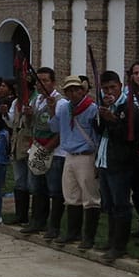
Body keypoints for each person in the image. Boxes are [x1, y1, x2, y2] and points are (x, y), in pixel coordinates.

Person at [49, 75, 101, 249]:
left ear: (82, 90)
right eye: (69, 90)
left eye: (76, 89)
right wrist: (51, 111)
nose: (73, 93)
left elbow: (98, 135)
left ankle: (89, 236)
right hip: (69, 154)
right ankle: (73, 232)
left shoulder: (92, 109)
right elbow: (55, 127)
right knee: (71, 195)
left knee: (90, 197)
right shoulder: (64, 109)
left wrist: (97, 160)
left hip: (86, 155)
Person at [95, 70, 137, 261]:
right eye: (105, 88)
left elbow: (128, 137)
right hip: (104, 159)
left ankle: (120, 246)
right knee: (109, 204)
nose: (109, 91)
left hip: (120, 162)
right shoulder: (105, 105)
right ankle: (112, 241)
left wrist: (112, 121)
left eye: (113, 87)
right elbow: (99, 131)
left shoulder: (129, 108)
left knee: (121, 204)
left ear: (120, 86)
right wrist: (101, 117)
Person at [20, 68, 63, 238]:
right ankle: (37, 221)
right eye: (39, 81)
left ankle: (54, 226)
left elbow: (60, 130)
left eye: (45, 80)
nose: (41, 84)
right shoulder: (37, 100)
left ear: (52, 82)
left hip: (53, 150)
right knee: (37, 187)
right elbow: (31, 125)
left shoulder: (59, 102)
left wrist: (48, 148)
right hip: (37, 146)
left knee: (54, 189)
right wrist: (29, 116)